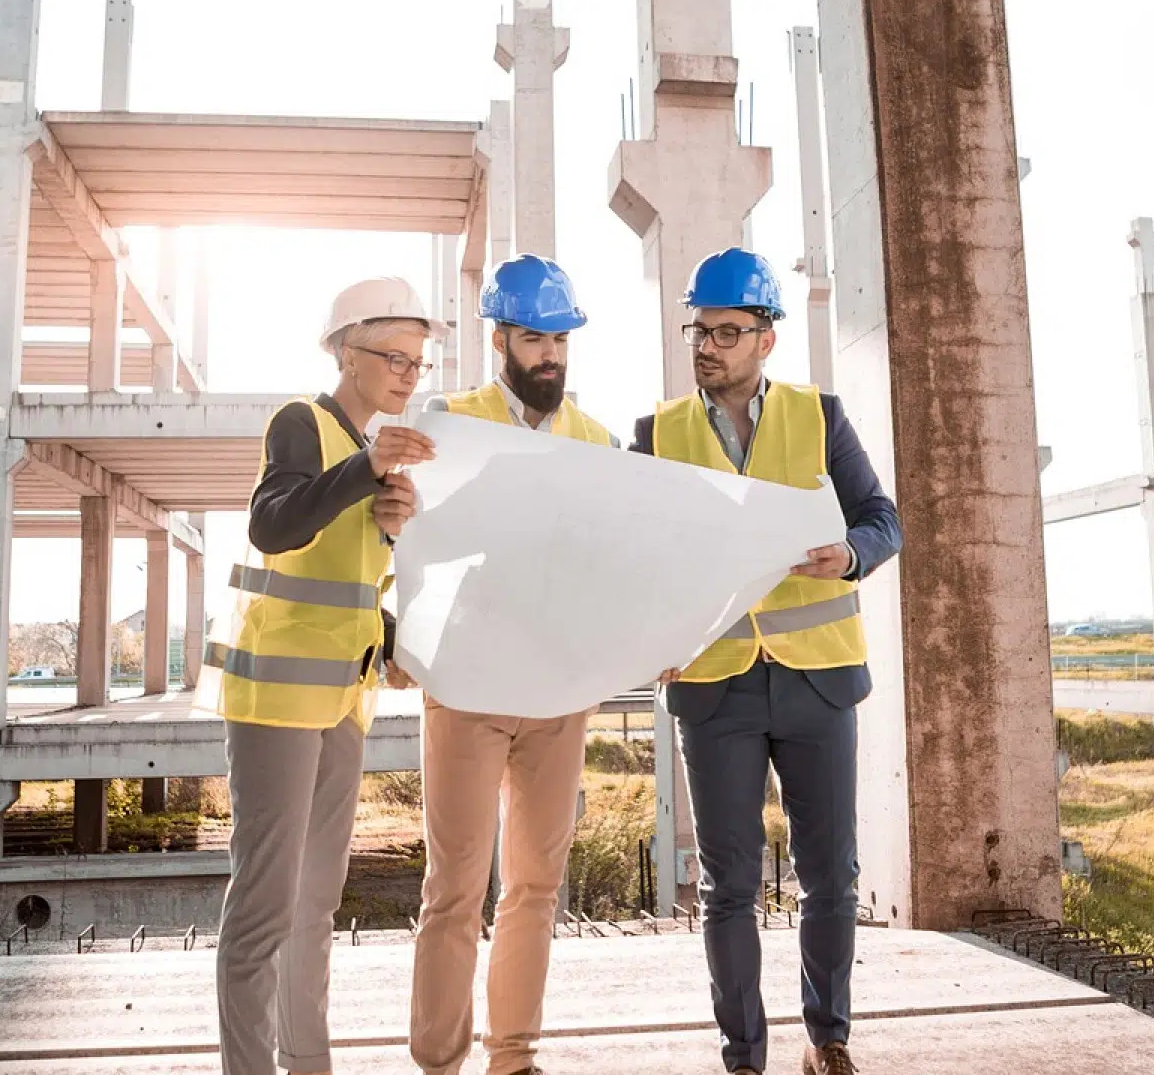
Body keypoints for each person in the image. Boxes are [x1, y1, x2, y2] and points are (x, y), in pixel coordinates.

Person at [631, 248, 902, 1075]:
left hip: (817, 678)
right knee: (729, 886)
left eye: (727, 331)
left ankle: (830, 1040)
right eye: (699, 330)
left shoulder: (820, 417)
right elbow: (633, 555)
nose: (707, 345)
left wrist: (848, 555)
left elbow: (882, 519)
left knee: (831, 874)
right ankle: (743, 1055)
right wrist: (649, 640)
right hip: (715, 687)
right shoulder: (657, 433)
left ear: (766, 339)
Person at [205, 276, 442, 1075]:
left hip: (344, 698)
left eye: (419, 361)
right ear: (346, 351)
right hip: (276, 696)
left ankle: (309, 1063)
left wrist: (392, 640)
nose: (409, 373)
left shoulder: (369, 453)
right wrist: (362, 475)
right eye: (393, 356)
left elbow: (343, 589)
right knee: (266, 908)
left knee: (315, 905)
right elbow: (272, 526)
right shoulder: (303, 422)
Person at [408, 254, 619, 1075]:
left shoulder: (594, 440)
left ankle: (514, 1058)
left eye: (561, 339)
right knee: (455, 885)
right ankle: (438, 1060)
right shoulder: (448, 422)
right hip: (467, 687)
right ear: (501, 338)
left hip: (559, 690)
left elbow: (617, 560)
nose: (551, 356)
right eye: (536, 338)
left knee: (534, 885)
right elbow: (410, 542)